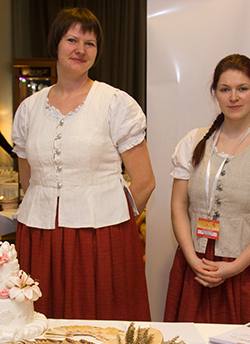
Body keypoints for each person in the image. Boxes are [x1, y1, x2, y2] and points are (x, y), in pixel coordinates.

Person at [11, 7, 155, 321]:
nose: (81, 49)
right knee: (41, 324)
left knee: (103, 324)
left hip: (101, 237)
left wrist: (115, 226)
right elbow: (28, 181)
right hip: (40, 236)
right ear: (55, 44)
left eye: (90, 43)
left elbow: (145, 182)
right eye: (72, 40)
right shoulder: (28, 109)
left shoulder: (115, 103)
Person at [164, 54, 250, 324]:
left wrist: (235, 266)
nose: (234, 97)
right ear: (215, 93)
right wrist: (192, 259)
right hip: (196, 266)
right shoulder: (193, 141)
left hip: (248, 269)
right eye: (225, 89)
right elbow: (178, 206)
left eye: (243, 88)